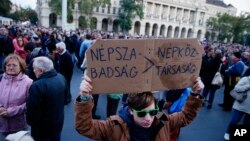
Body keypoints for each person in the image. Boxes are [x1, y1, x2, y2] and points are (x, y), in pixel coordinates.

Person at [75, 76, 204, 141]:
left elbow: (186, 116)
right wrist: (85, 98)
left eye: (153, 112)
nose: (148, 119)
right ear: (131, 110)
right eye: (142, 114)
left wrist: (195, 94)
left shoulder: (164, 121)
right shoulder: (113, 126)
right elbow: (85, 127)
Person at [26, 56, 68, 141]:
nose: (33, 71)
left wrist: (30, 121)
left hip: (42, 128)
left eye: (34, 68)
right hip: (58, 121)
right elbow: (67, 99)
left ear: (41, 70)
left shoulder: (37, 85)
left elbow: (32, 110)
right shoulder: (61, 77)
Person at [0, 54, 33, 140]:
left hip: (20, 127)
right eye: (8, 65)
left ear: (21, 67)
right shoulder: (0, 79)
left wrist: (11, 112)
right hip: (2, 125)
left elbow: (30, 104)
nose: (11, 68)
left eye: (14, 65)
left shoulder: (28, 83)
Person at [223, 75, 250, 140]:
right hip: (241, 105)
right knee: (234, 121)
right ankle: (228, 132)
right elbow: (236, 88)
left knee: (247, 123)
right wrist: (248, 86)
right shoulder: (245, 79)